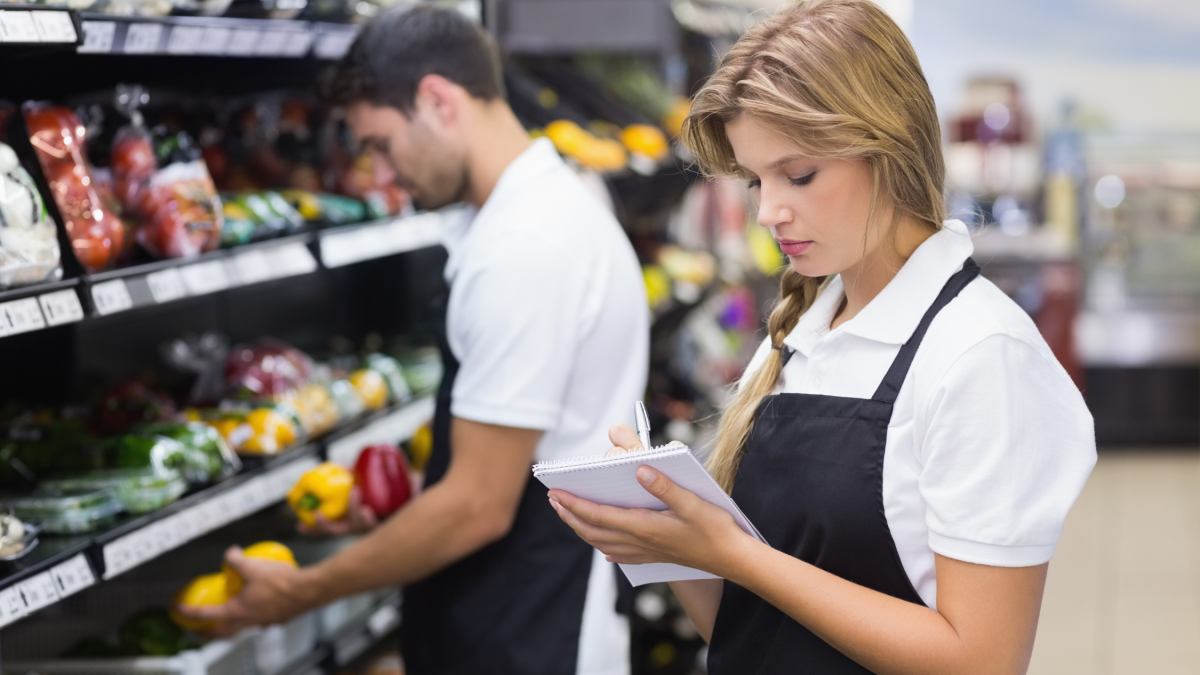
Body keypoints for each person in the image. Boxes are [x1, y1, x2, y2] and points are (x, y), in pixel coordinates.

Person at [548, 1, 1097, 673]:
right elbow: (743, 627)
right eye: (756, 180)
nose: (767, 212)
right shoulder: (797, 336)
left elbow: (980, 659)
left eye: (798, 174)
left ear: (888, 141)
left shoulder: (980, 354)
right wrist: (668, 540)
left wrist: (739, 554)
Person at [178, 6, 647, 675]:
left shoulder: (525, 249)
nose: (380, 173)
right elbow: (528, 454)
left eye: (379, 144)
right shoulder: (549, 210)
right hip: (524, 606)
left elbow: (478, 506)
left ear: (437, 100)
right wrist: (400, 508)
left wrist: (301, 592)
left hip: (532, 627)